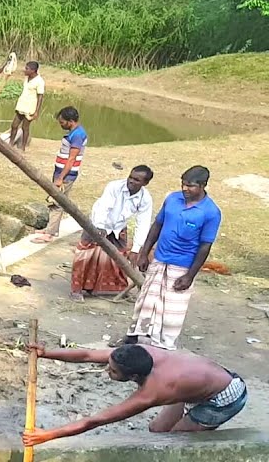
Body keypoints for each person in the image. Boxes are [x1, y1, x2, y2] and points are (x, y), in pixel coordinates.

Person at [21, 343, 248, 446]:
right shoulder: (138, 353)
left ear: (133, 377)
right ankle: (195, 420)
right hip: (196, 387)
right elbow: (88, 354)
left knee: (175, 441)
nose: (106, 371)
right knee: (156, 430)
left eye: (112, 371)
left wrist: (48, 435)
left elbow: (96, 420)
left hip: (225, 396)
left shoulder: (151, 394)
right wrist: (46, 353)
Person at [118, 166, 222, 350]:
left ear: (203, 185)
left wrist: (189, 276)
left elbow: (205, 246)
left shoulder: (210, 212)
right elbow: (157, 225)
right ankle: (133, 337)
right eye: (183, 184)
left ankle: (163, 346)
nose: (185, 189)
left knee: (172, 310)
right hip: (159, 259)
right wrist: (144, 252)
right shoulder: (173, 199)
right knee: (146, 302)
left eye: (190, 186)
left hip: (182, 266)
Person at [69, 166, 154, 298]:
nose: (131, 181)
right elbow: (104, 207)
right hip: (98, 223)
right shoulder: (114, 187)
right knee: (85, 256)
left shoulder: (145, 198)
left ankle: (104, 288)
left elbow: (143, 222)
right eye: (130, 177)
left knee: (119, 259)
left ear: (145, 183)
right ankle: (77, 290)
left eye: (136, 180)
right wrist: (100, 226)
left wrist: (136, 249)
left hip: (118, 227)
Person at [32, 106, 87, 243]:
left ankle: (49, 234)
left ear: (71, 121)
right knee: (55, 201)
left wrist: (60, 178)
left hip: (66, 175)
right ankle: (50, 228)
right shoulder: (74, 133)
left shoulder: (77, 136)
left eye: (62, 122)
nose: (61, 125)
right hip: (60, 172)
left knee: (57, 202)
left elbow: (71, 159)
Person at [8, 61, 44, 153]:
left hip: (30, 107)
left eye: (27, 69)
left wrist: (36, 111)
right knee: (14, 125)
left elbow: (40, 97)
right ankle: (10, 143)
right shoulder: (27, 78)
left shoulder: (39, 81)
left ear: (33, 70)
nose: (25, 70)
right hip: (21, 105)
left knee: (25, 127)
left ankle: (23, 147)